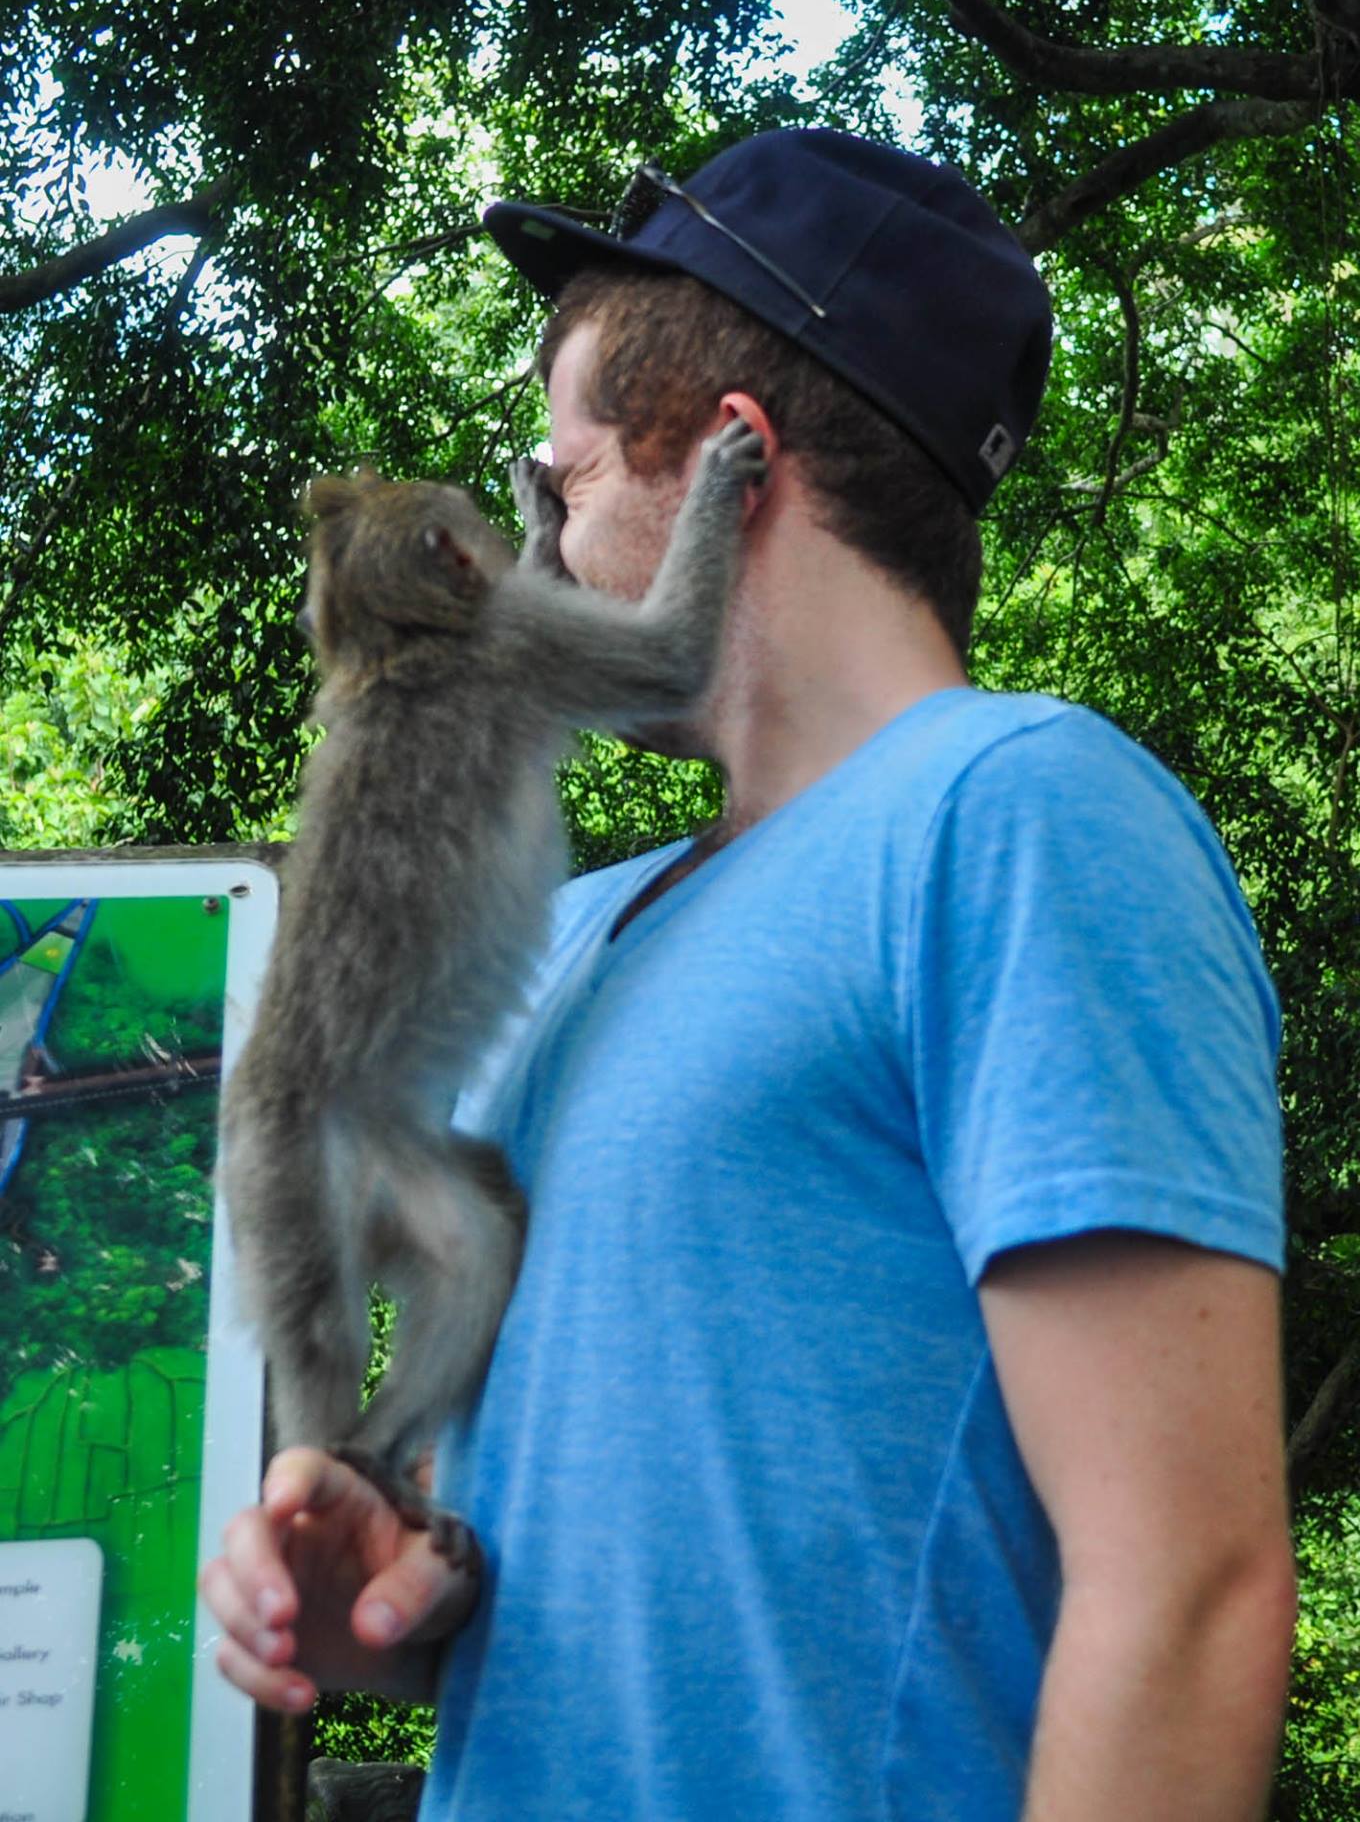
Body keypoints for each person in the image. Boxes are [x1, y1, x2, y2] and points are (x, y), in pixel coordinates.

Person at [201, 130, 1297, 1820]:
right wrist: (393, 1598)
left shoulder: (1010, 816)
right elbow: (637, 1584)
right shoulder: (573, 934)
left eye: (561, 489)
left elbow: (1187, 1592)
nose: (532, 561)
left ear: (734, 455)